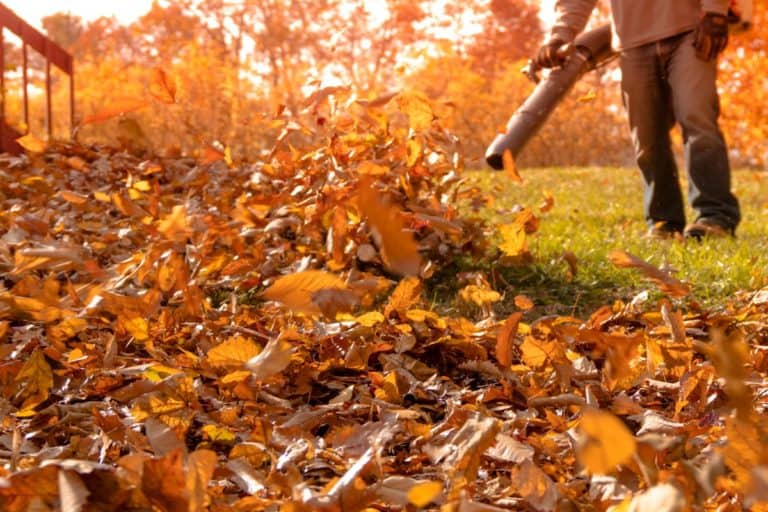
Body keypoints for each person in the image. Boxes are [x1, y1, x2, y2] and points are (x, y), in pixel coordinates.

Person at [535, 0, 741, 240]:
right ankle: (664, 223)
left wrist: (715, 11)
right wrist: (559, 35)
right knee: (646, 137)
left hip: (692, 29)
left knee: (697, 117)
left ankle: (715, 217)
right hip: (632, 41)